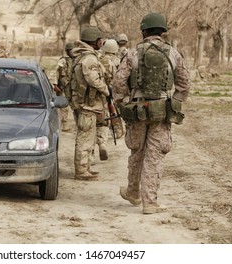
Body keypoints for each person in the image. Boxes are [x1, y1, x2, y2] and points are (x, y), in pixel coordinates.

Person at [113, 13, 190, 214]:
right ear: (163, 32)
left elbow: (119, 81)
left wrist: (122, 103)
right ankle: (150, 203)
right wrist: (175, 103)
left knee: (137, 151)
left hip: (137, 110)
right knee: (154, 157)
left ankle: (133, 192)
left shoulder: (132, 54)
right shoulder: (173, 54)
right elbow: (184, 84)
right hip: (162, 111)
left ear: (144, 31)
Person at [70, 26, 110, 180]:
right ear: (95, 41)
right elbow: (93, 79)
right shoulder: (89, 58)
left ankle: (85, 167)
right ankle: (81, 170)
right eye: (100, 40)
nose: (102, 42)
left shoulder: (84, 56)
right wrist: (106, 90)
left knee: (88, 136)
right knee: (85, 137)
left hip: (88, 104)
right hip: (88, 104)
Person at [54, 42, 75, 131]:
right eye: (71, 51)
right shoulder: (63, 60)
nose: (73, 52)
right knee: (63, 106)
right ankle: (64, 125)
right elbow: (56, 71)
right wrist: (55, 84)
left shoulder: (76, 60)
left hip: (72, 86)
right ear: (67, 51)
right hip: (64, 86)